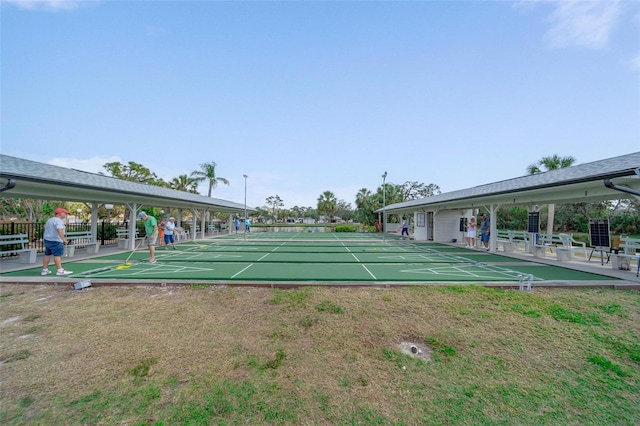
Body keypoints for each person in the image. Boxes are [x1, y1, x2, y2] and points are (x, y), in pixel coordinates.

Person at [41, 207, 73, 276]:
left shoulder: (50, 220)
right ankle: (60, 270)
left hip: (47, 239)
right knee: (57, 255)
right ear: (60, 213)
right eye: (64, 213)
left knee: (47, 254)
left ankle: (44, 270)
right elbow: (59, 230)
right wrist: (64, 239)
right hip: (56, 240)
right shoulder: (58, 221)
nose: (65, 214)